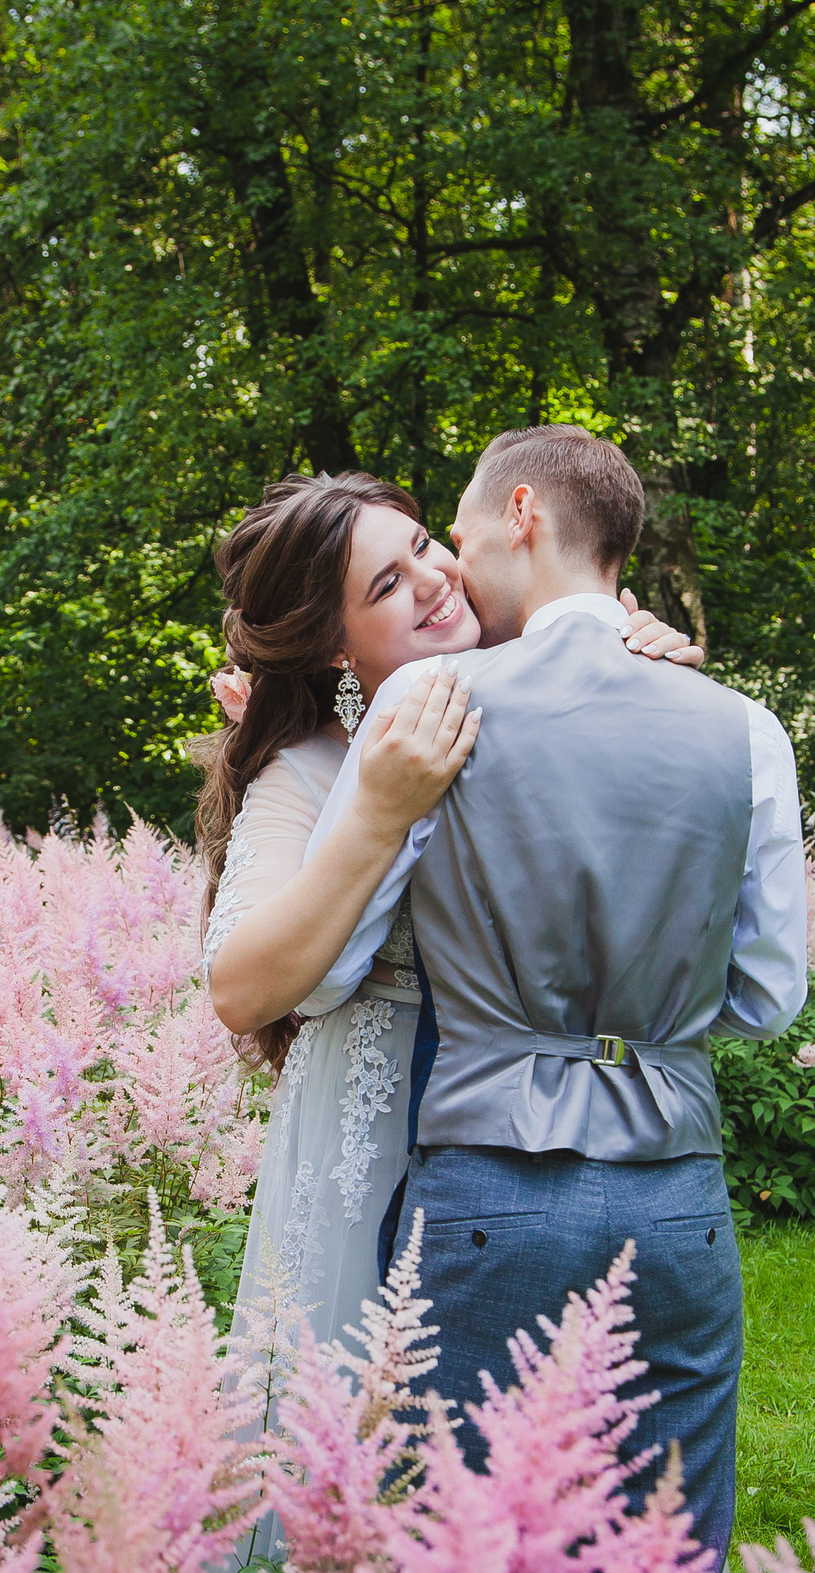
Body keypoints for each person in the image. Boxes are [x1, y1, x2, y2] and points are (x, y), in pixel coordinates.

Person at [302, 425, 808, 1573]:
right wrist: (644, 1017)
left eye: (462, 533)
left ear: (519, 513)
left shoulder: (432, 704)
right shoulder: (741, 726)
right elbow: (770, 992)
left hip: (488, 1188)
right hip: (674, 1190)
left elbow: (330, 968)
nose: (455, 571)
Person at [193, 470, 701, 1421]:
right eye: (385, 585)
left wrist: (641, 657)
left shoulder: (525, 695)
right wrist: (379, 808)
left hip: (545, 1124)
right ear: (337, 650)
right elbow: (240, 987)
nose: (430, 578)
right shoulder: (307, 770)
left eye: (424, 544)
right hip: (381, 1131)